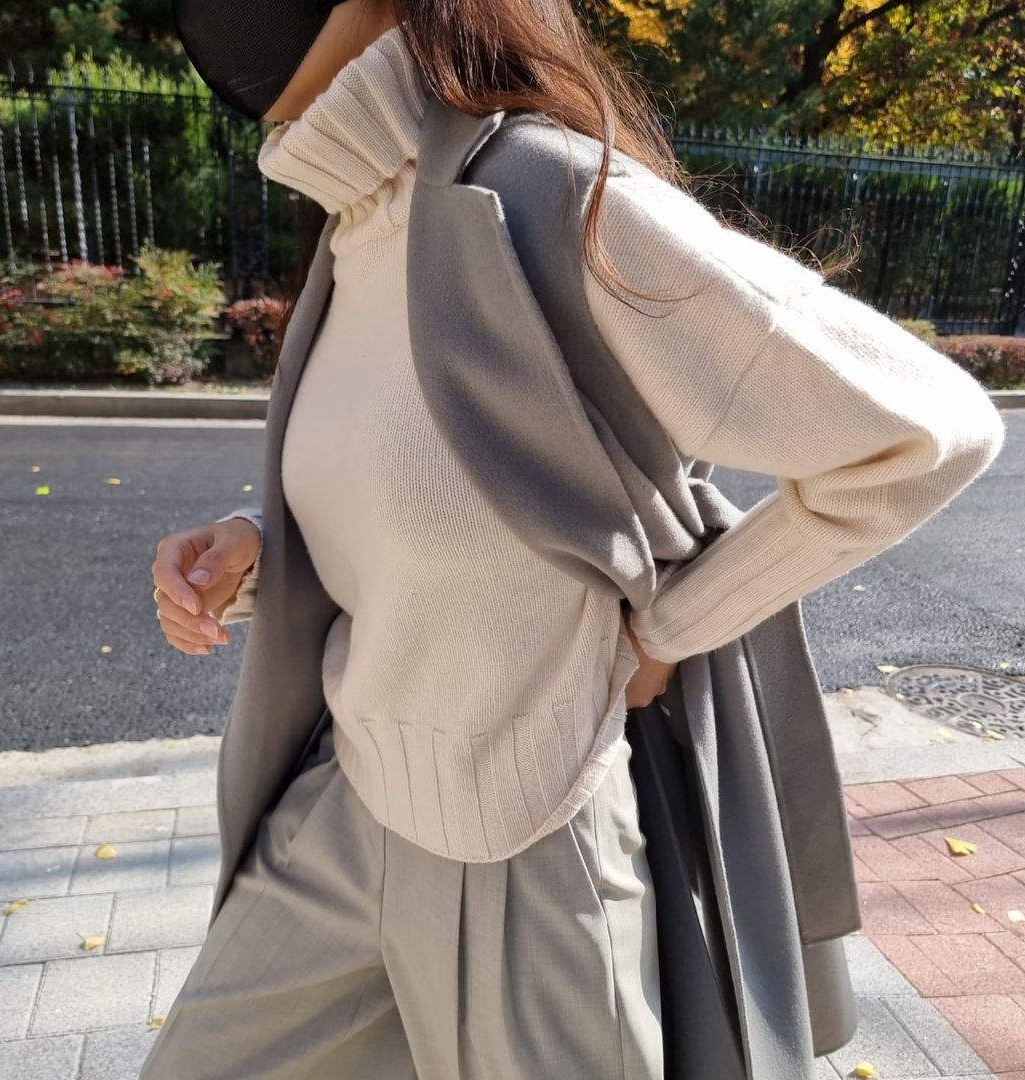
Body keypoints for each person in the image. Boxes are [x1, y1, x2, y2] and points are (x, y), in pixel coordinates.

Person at [142, 1, 1006, 1077]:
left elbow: (922, 434)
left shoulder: (542, 191)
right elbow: (451, 483)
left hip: (526, 831)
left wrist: (668, 629)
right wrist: (258, 549)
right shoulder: (355, 222)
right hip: (345, 799)